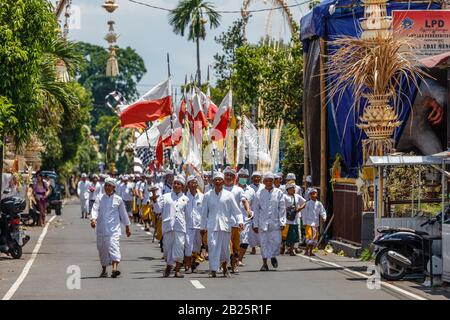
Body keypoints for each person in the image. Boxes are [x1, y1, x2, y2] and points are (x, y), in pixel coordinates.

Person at [201, 172, 243, 278]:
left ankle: (225, 268)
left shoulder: (229, 195)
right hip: (212, 226)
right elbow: (203, 213)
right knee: (213, 247)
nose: (218, 182)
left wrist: (240, 221)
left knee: (225, 248)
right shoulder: (207, 196)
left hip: (225, 225)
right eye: (216, 180)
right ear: (213, 182)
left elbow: (236, 211)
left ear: (223, 182)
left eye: (220, 180)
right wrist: (202, 227)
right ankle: (213, 269)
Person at [90, 178, 131, 278]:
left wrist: (127, 227)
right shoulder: (99, 198)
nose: (107, 187)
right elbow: (95, 209)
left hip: (114, 230)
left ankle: (114, 269)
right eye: (106, 185)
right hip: (101, 229)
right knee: (102, 250)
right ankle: (104, 270)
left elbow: (123, 214)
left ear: (114, 187)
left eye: (109, 185)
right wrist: (93, 219)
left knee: (114, 248)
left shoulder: (118, 199)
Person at [151, 175, 189, 278]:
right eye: (174, 183)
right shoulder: (165, 196)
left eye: (178, 184)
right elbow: (158, 210)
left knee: (179, 248)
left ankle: (177, 270)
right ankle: (168, 265)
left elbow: (188, 216)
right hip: (168, 226)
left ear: (182, 186)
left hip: (180, 227)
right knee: (167, 249)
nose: (176, 185)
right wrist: (154, 201)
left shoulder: (186, 199)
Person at [253, 172, 286, 271]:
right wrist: (255, 224)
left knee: (276, 242)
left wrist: (282, 222)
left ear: (273, 181)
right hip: (263, 223)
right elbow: (256, 210)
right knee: (263, 243)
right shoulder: (259, 193)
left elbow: (282, 208)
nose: (268, 182)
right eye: (266, 180)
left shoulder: (279, 192)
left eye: (270, 180)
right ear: (263, 181)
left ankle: (273, 256)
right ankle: (264, 264)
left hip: (275, 223)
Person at [223, 166, 245, 273]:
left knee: (236, 246)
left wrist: (248, 211)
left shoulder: (238, 190)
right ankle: (224, 264)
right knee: (225, 245)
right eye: (226, 175)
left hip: (235, 223)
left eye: (231, 175)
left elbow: (244, 201)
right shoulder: (219, 189)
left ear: (234, 177)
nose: (228, 177)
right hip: (223, 223)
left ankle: (234, 263)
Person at [236, 168, 256, 267]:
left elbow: (254, 205)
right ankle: (233, 259)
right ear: (238, 177)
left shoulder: (251, 191)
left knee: (244, 240)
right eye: (241, 176)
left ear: (247, 178)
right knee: (234, 240)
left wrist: (252, 216)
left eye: (245, 177)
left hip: (247, 220)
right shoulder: (233, 189)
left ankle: (239, 259)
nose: (243, 178)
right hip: (234, 218)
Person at [185, 175, 204, 273]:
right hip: (187, 226)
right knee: (188, 245)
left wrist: (204, 226)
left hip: (199, 226)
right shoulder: (184, 197)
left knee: (197, 246)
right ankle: (187, 265)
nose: (194, 185)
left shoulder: (202, 197)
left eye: (195, 183)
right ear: (188, 185)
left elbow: (205, 212)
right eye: (191, 183)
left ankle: (193, 264)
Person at [302, 188, 327, 257]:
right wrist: (304, 222)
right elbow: (304, 213)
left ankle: (311, 251)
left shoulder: (319, 203)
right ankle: (307, 251)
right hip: (308, 223)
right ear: (309, 195)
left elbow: (322, 211)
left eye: (315, 193)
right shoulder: (307, 203)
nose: (313, 195)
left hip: (316, 224)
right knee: (309, 237)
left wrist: (324, 217)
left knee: (314, 239)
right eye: (312, 194)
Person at [284, 183, 306, 256]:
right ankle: (285, 247)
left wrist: (300, 208)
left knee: (294, 236)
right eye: (291, 188)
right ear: (288, 190)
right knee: (286, 236)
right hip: (286, 219)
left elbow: (304, 202)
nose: (293, 189)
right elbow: (279, 206)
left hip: (295, 219)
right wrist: (286, 209)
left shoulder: (297, 196)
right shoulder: (284, 196)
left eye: (294, 188)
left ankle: (292, 249)